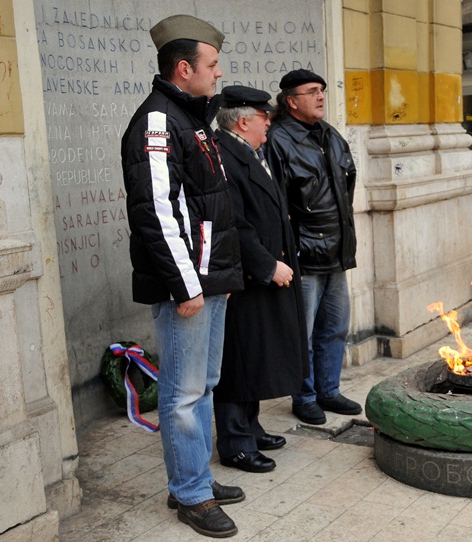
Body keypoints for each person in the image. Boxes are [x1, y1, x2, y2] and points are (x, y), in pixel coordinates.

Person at [121, 15, 243, 539]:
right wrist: (185, 285)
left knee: (204, 385)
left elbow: (207, 206)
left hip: (209, 277)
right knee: (183, 393)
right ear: (185, 67)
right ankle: (190, 495)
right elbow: (156, 210)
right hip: (189, 284)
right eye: (212, 65)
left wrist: (219, 275)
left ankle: (194, 476)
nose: (219, 75)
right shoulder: (156, 120)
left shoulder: (191, 117)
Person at [213, 86, 310, 473]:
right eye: (263, 116)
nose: (269, 122)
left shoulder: (250, 150)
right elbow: (234, 224)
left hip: (265, 270)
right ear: (243, 121)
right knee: (239, 358)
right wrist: (268, 265)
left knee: (256, 356)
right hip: (245, 276)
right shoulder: (224, 155)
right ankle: (235, 443)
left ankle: (250, 428)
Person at [265, 69, 362, 425]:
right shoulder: (277, 139)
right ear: (291, 101)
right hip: (303, 254)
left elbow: (346, 190)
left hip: (337, 251)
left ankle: (329, 390)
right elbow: (274, 203)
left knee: (334, 327)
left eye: (322, 90)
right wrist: (284, 252)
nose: (321, 96)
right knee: (301, 333)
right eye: (311, 91)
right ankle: (304, 396)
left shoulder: (331, 135)